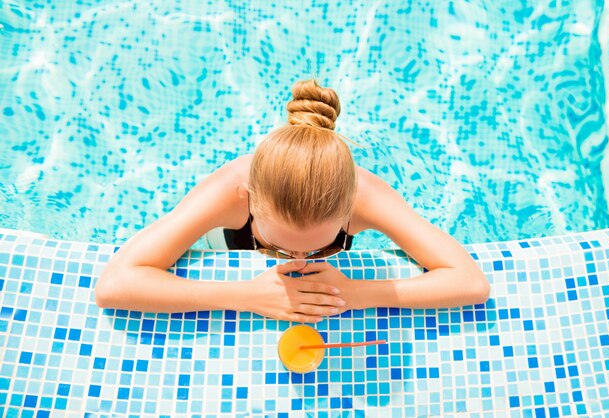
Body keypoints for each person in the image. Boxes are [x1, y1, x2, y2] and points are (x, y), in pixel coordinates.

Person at [95, 79, 490, 323]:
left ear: (347, 210)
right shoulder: (232, 189)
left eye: (323, 246)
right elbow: (115, 284)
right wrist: (244, 296)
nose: (297, 262)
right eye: (276, 246)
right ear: (250, 202)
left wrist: (356, 293)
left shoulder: (363, 195)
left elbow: (469, 281)